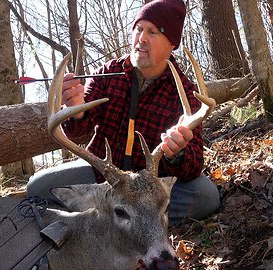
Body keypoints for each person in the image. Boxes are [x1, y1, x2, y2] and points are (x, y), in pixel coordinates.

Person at [27, 0, 220, 226]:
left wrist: (176, 153)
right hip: (104, 179)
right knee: (37, 188)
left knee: (206, 195)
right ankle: (126, 221)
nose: (142, 38)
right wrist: (75, 110)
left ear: (171, 44)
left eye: (153, 32)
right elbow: (79, 130)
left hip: (149, 191)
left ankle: (122, 222)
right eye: (138, 29)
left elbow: (194, 164)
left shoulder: (187, 93)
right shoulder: (108, 73)